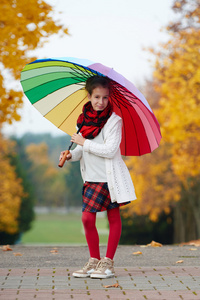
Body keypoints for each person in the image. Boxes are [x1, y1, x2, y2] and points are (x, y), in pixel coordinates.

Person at [59, 76, 136, 279]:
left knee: (113, 218)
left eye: (105, 97)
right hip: (91, 178)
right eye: (96, 97)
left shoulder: (114, 121)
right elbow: (82, 150)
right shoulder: (84, 119)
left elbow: (110, 150)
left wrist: (83, 142)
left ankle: (108, 263)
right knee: (87, 219)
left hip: (110, 179)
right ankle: (94, 261)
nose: (101, 102)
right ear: (89, 96)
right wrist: (70, 155)